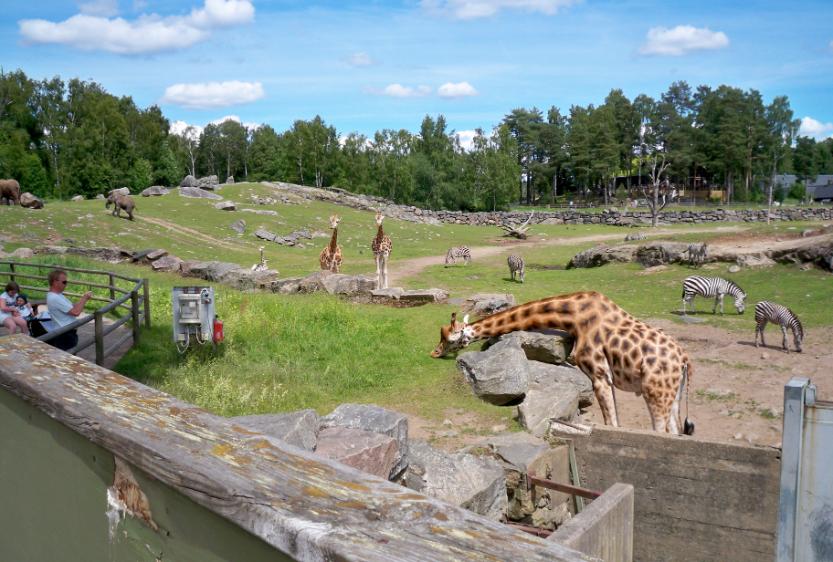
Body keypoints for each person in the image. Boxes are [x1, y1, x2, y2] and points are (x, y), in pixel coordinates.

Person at [46, 269, 92, 351]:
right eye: (64, 282)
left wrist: (83, 300)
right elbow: (76, 312)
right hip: (64, 335)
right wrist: (84, 298)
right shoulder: (54, 297)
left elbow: (72, 308)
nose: (66, 284)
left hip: (67, 333)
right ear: (55, 282)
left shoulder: (58, 295)